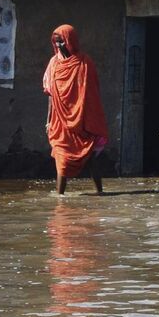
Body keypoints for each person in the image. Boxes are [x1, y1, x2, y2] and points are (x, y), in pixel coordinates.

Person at [42, 24, 108, 195]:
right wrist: (48, 120)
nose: (59, 46)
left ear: (71, 41)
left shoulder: (85, 63)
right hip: (61, 121)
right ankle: (60, 198)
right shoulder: (53, 64)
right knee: (61, 158)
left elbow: (92, 94)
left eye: (62, 42)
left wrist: (90, 119)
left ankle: (100, 194)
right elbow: (50, 93)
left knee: (92, 159)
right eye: (56, 43)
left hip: (82, 119)